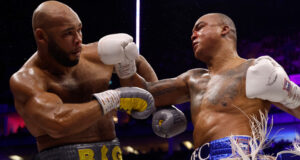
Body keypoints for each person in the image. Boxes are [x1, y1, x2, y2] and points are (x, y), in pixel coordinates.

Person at [124, 13, 300, 159]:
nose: (193, 35)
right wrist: (129, 63)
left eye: (199, 28)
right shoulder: (193, 79)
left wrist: (291, 92)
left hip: (237, 154)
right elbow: (142, 96)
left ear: (224, 30)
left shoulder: (253, 70)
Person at [9, 1, 160, 160]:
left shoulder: (96, 56)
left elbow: (138, 61)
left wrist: (163, 105)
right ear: (41, 36)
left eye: (79, 30)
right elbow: (58, 122)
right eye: (68, 33)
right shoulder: (27, 80)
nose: (78, 39)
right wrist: (113, 98)